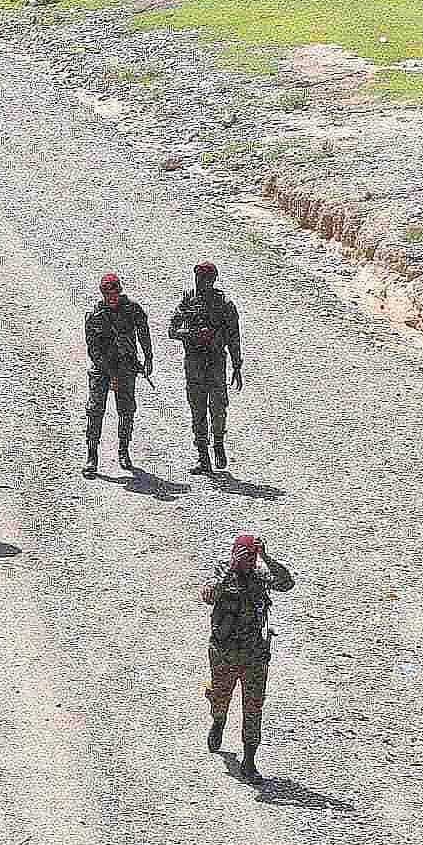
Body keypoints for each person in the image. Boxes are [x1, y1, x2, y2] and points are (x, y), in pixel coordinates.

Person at [202, 530, 292, 782]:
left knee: (253, 708)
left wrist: (266, 557)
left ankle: (249, 760)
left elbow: (286, 582)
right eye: (244, 555)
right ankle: (218, 722)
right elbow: (208, 595)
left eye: (251, 556)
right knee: (220, 698)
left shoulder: (260, 576)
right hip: (224, 654)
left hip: (254, 657)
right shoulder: (223, 571)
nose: (247, 561)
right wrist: (231, 568)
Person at [169, 262, 248, 476]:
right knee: (197, 410)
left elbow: (234, 337)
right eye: (198, 278)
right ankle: (203, 456)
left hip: (215, 362)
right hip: (194, 362)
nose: (201, 282)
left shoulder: (224, 305)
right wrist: (192, 335)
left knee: (219, 408)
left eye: (206, 278)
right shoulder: (188, 301)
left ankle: (219, 443)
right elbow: (172, 330)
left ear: (213, 280)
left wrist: (237, 365)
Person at [82, 270, 154, 476]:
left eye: (114, 294)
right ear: (103, 295)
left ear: (119, 292)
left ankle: (124, 450)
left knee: (126, 410)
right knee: (95, 411)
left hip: (125, 368)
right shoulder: (95, 316)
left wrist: (148, 357)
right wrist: (108, 369)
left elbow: (144, 332)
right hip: (102, 369)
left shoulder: (132, 310)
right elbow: (93, 349)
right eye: (108, 295)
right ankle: (92, 454)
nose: (112, 298)